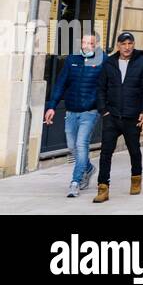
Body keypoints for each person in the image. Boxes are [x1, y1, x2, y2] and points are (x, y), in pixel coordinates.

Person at [43, 31, 106, 198]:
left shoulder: (103, 61)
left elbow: (109, 86)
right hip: (71, 112)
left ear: (97, 45)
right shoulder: (72, 60)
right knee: (72, 147)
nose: (86, 46)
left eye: (90, 43)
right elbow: (60, 84)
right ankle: (89, 168)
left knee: (81, 145)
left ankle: (75, 182)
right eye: (84, 43)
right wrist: (52, 107)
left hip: (90, 112)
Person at [93, 32, 143, 203]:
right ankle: (103, 188)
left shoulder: (142, 63)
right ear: (118, 45)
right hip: (111, 115)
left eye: (130, 44)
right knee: (106, 152)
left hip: (132, 116)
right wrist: (103, 110)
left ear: (133, 45)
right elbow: (101, 88)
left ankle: (136, 178)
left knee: (134, 150)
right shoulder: (109, 63)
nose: (127, 47)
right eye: (124, 44)